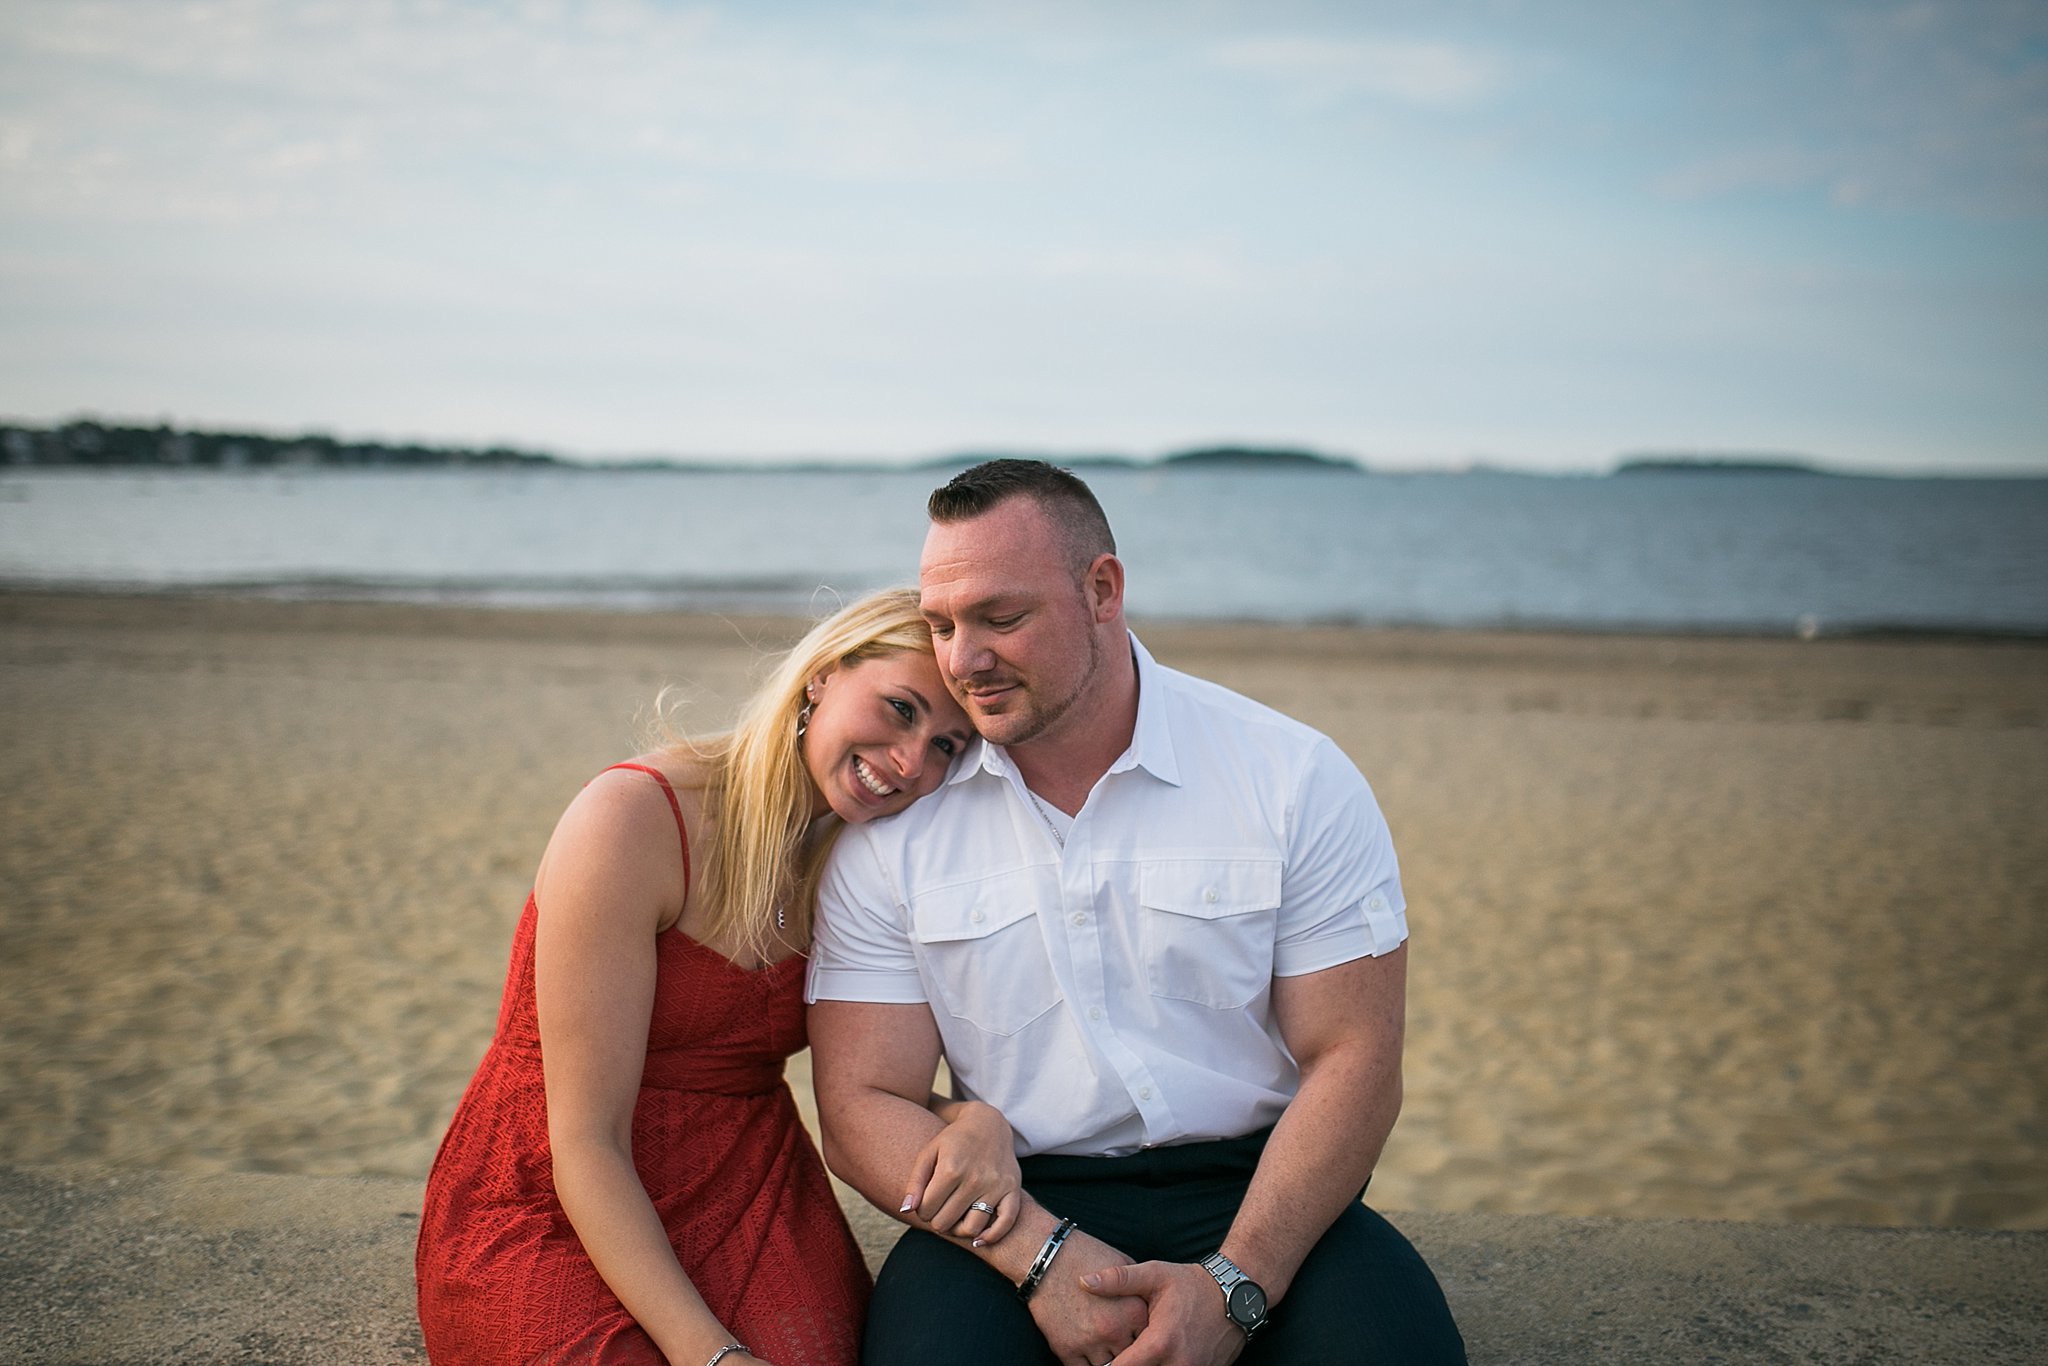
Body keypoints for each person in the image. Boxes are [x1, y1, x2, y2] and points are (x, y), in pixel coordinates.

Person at [806, 462, 1467, 1364]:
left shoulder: (1291, 777)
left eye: (1001, 618)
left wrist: (1235, 1283)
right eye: (943, 625)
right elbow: (861, 1105)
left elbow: (1356, 1059)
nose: (962, 660)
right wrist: (1039, 1257)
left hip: (1266, 1186)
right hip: (1015, 1202)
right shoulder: (895, 832)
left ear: (1102, 591)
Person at [417, 588, 1026, 1366]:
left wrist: (975, 1122)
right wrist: (712, 1355)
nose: (911, 762)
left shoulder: (857, 861)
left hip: (747, 1186)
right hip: (556, 1187)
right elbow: (585, 1140)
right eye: (901, 709)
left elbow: (865, 1079)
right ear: (823, 675)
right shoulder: (633, 819)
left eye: (946, 745)